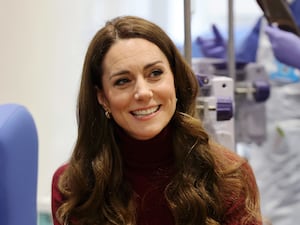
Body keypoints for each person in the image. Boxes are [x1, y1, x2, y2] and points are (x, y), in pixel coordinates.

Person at [51, 15, 262, 225]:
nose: (143, 93)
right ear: (103, 98)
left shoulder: (230, 177)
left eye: (155, 73)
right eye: (123, 81)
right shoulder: (74, 188)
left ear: (175, 80)